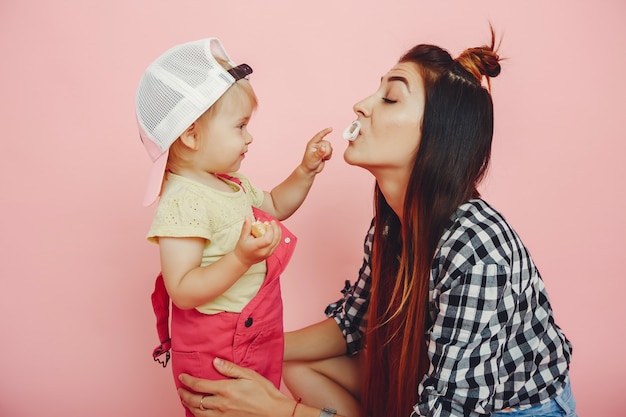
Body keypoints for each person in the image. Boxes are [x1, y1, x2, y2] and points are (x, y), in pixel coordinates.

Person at [176, 29, 577, 417]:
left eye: (390, 98)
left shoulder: (477, 251)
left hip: (507, 411)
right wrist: (248, 352)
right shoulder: (391, 227)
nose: (362, 104)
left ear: (437, 135)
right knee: (291, 363)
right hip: (432, 385)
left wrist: (280, 412)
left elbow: (449, 410)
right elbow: (355, 323)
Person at [134, 38, 332, 417]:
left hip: (257, 329)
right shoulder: (183, 198)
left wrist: (305, 171)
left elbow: (275, 205)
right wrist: (241, 257)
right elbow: (184, 289)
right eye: (240, 126)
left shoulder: (229, 183)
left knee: (261, 405)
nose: (249, 137)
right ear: (191, 135)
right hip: (219, 345)